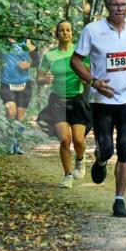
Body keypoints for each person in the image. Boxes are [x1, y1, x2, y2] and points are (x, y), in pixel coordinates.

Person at [70, 0, 126, 217]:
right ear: (107, 6)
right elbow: (76, 61)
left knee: (125, 146)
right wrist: (93, 82)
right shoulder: (92, 31)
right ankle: (101, 160)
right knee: (107, 148)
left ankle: (119, 200)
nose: (120, 9)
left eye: (124, 4)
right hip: (101, 101)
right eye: (115, 5)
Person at [37, 21, 91, 188]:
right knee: (65, 140)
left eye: (68, 30)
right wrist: (43, 80)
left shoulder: (81, 53)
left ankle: (80, 160)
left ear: (72, 33)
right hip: (58, 101)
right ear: (57, 34)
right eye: (61, 30)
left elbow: (88, 76)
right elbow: (38, 79)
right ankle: (67, 175)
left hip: (77, 100)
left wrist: (85, 78)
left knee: (79, 140)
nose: (65, 32)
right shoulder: (50, 56)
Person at [0, 37, 38, 154]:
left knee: (20, 116)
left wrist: (28, 64)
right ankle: (9, 143)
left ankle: (16, 145)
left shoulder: (27, 42)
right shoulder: (2, 41)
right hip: (7, 83)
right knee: (11, 111)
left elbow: (37, 61)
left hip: (24, 84)